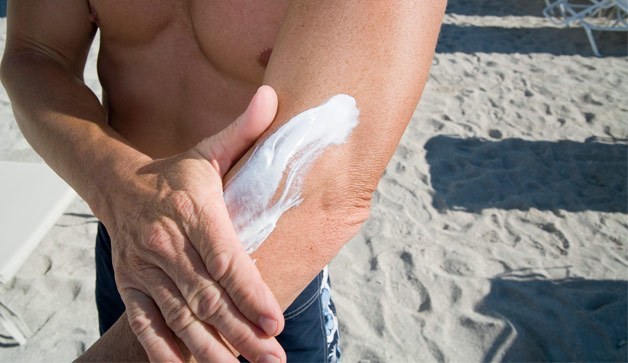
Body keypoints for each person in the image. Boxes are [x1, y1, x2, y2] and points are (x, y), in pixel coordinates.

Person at [1, 1, 446, 362]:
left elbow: (330, 185)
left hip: (263, 268)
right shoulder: (125, 209)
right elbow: (36, 53)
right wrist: (123, 187)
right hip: (124, 237)